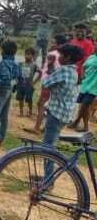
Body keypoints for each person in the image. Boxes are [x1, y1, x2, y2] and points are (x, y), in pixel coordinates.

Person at [41, 44, 83, 174]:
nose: (59, 57)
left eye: (61, 55)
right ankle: (48, 177)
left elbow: (45, 83)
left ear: (68, 57)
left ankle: (48, 180)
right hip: (65, 113)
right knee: (51, 144)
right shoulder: (73, 71)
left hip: (56, 112)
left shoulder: (63, 70)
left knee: (48, 148)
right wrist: (51, 67)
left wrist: (50, 66)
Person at [28, 34, 68, 135]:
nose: (51, 44)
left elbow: (50, 69)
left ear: (58, 44)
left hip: (48, 82)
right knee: (49, 105)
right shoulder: (64, 55)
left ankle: (37, 127)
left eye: (53, 42)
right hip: (55, 83)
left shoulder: (53, 54)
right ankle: (45, 127)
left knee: (41, 104)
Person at [68, 50, 97, 132]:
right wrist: (83, 74)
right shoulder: (92, 57)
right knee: (85, 107)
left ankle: (76, 122)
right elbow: (84, 66)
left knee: (85, 105)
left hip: (94, 87)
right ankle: (85, 127)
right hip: (85, 84)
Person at [16, 48, 39, 117]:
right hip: (20, 85)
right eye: (26, 54)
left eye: (29, 54)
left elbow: (40, 72)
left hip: (29, 85)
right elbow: (17, 73)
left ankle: (30, 112)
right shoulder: (21, 64)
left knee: (29, 99)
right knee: (20, 99)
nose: (26, 56)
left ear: (33, 56)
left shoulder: (34, 65)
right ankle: (21, 112)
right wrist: (17, 80)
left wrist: (34, 82)